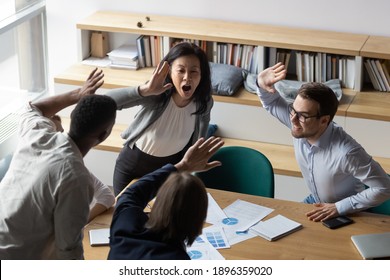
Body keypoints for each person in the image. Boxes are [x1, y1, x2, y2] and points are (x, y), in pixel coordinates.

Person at [0, 68, 117, 260]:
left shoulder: (37, 134)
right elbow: (68, 250)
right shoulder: (76, 178)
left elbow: (32, 109)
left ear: (72, 117)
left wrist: (77, 94)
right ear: (104, 135)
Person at [256, 62, 390, 222]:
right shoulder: (300, 123)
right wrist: (260, 83)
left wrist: (338, 207)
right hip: (316, 202)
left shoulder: (347, 152)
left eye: (302, 116)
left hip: (349, 212)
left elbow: (385, 187)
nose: (293, 119)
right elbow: (272, 103)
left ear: (324, 120)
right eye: (293, 110)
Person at [105, 42, 213, 195]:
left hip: (169, 170)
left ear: (202, 75)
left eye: (194, 71)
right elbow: (105, 101)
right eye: (180, 70)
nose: (187, 77)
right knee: (126, 215)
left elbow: (199, 138)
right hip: (133, 166)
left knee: (161, 217)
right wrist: (146, 89)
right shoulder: (157, 95)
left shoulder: (204, 102)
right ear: (169, 73)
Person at [108, 136, 224, 260]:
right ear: (199, 221)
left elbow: (132, 193)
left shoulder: (124, 223)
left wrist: (182, 165)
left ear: (159, 202)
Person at [50, 114, 115, 222]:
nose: (60, 140)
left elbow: (107, 195)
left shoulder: (70, 164)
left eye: (61, 133)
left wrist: (82, 222)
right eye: (53, 135)